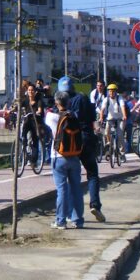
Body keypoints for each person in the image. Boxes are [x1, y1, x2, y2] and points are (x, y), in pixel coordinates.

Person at [60, 75, 105, 222]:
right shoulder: (83, 98)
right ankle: (95, 204)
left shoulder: (62, 102)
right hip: (86, 139)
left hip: (70, 143)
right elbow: (93, 120)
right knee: (92, 174)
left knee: (70, 179)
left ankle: (69, 213)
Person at [46, 91, 84, 229]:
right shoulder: (74, 115)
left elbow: (46, 124)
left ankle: (61, 221)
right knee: (76, 189)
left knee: (61, 190)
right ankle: (78, 220)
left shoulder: (51, 117)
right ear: (68, 102)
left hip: (58, 157)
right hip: (74, 156)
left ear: (56, 102)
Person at [98, 83, 127, 162]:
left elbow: (122, 107)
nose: (111, 93)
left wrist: (124, 115)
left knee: (120, 135)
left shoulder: (119, 98)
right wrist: (101, 118)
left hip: (120, 118)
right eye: (110, 91)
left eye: (113, 91)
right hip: (110, 118)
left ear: (116, 92)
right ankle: (110, 143)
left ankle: (122, 154)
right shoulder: (106, 99)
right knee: (106, 132)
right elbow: (102, 110)